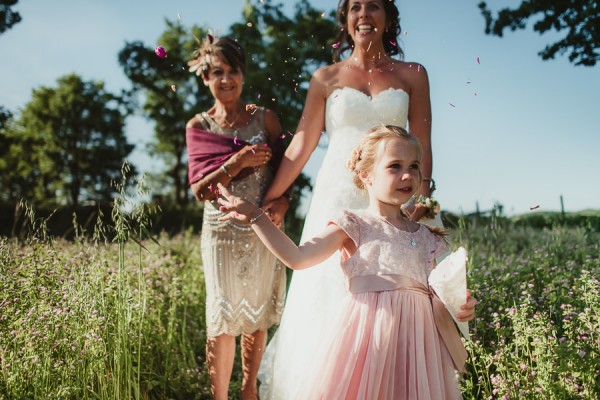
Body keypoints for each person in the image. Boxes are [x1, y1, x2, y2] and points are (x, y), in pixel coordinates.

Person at [257, 1, 439, 397]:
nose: (363, 14)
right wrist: (270, 198)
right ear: (345, 20)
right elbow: (303, 142)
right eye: (354, 7)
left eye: (373, 5)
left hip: (396, 199)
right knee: (326, 293)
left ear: (388, 17)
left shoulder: (414, 75)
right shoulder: (326, 77)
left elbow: (421, 142)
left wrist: (420, 203)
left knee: (389, 300)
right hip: (336, 196)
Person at [217, 125, 477, 399]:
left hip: (418, 349)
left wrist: (460, 303)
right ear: (366, 175)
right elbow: (298, 257)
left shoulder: (426, 236)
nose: (407, 175)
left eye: (414, 166)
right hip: (369, 343)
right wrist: (256, 216)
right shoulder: (354, 224)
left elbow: (438, 291)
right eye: (394, 166)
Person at [185, 35, 286, 400]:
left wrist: (284, 203)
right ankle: (220, 397)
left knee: (256, 312)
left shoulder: (266, 119)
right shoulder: (198, 126)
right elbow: (199, 190)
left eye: (233, 71)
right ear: (205, 78)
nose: (226, 79)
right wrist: (235, 162)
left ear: (243, 74)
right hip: (220, 232)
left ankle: (248, 390)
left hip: (261, 227)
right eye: (217, 72)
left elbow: (286, 172)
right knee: (222, 317)